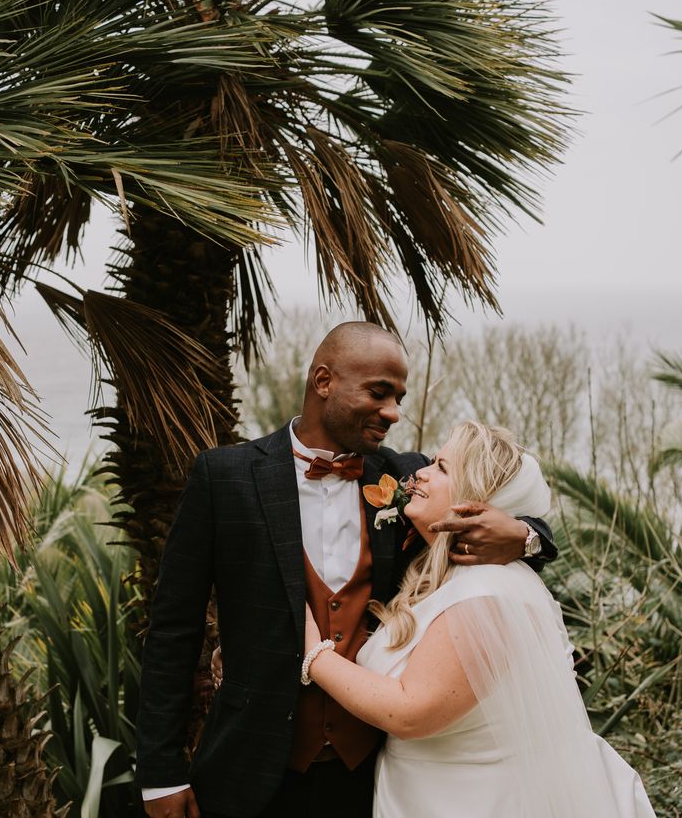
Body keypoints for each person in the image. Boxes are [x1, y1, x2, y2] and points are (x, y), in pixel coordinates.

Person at [136, 322, 557, 818]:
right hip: (248, 765)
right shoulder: (224, 477)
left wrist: (528, 535)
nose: (393, 413)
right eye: (379, 393)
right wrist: (160, 773)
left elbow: (507, 507)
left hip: (371, 773)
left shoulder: (405, 476)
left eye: (399, 397)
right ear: (323, 381)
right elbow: (172, 630)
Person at [302, 420, 657, 818]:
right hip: (415, 792)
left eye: (441, 467)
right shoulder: (443, 578)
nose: (419, 472)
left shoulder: (487, 591)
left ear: (475, 500)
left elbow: (409, 710)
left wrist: (314, 654)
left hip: (472, 800)